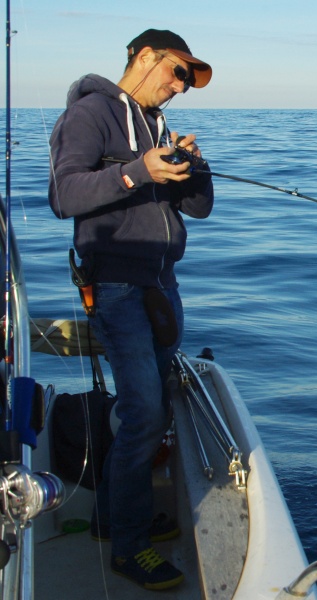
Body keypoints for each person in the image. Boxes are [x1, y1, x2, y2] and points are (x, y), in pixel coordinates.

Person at [48, 29, 213, 591]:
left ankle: (115, 516)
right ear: (145, 57)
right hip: (116, 287)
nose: (180, 87)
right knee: (143, 411)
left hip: (162, 284)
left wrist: (194, 168)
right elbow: (64, 195)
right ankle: (129, 546)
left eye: (187, 82)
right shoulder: (91, 114)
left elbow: (199, 209)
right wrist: (138, 170)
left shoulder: (156, 125)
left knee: (150, 404)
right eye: (176, 73)